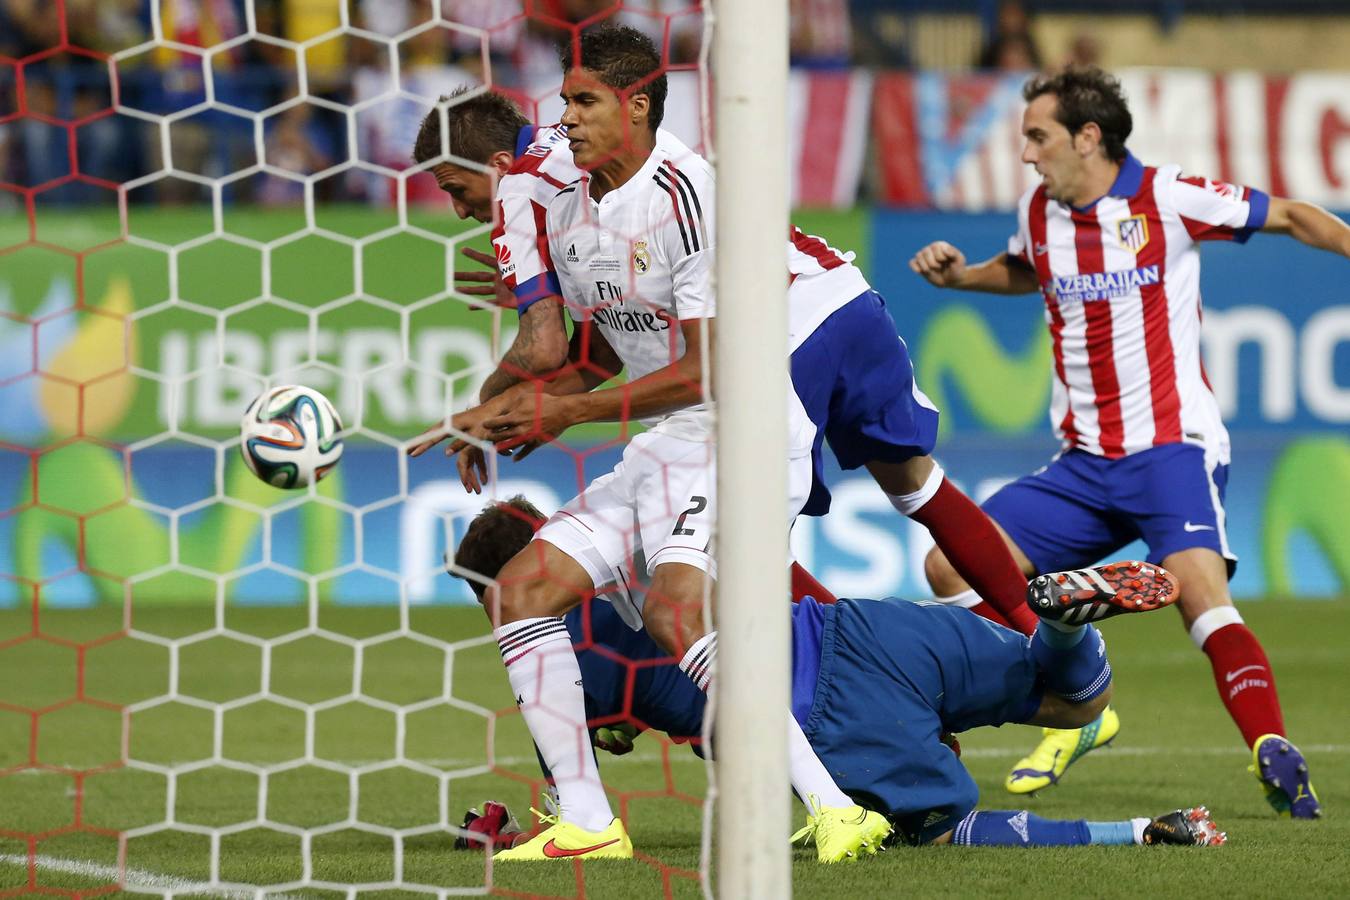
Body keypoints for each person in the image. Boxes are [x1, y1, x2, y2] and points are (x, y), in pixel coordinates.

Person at [410, 26, 892, 864]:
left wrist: (569, 411)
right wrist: (506, 408)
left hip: (743, 434)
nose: (564, 117)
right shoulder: (568, 203)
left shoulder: (688, 194)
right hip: (669, 443)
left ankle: (837, 810)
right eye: (563, 100)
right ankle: (588, 823)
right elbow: (608, 348)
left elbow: (710, 369)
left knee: (674, 611)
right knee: (521, 591)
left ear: (636, 106)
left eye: (583, 101)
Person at [910, 65, 1347, 817]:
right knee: (948, 566)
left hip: (1172, 450)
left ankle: (1271, 746)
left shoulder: (1168, 197)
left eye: (1038, 136)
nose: (1026, 153)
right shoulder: (1039, 210)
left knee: (1201, 599)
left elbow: (1293, 216)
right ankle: (1081, 697)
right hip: (1082, 466)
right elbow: (1025, 269)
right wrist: (963, 279)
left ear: (1088, 137)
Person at [452, 497, 1228, 852]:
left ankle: (1140, 833)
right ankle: (1062, 620)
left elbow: (580, 798)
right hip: (859, 627)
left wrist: (506, 829)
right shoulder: (637, 541)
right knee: (1074, 699)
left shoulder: (552, 649)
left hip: (825, 717)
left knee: (938, 832)